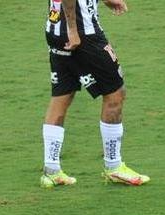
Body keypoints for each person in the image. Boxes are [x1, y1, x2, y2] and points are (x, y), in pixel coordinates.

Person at [40, 0, 149, 188]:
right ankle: (114, 166)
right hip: (83, 35)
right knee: (116, 93)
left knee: (62, 96)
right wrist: (73, 30)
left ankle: (51, 170)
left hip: (55, 29)